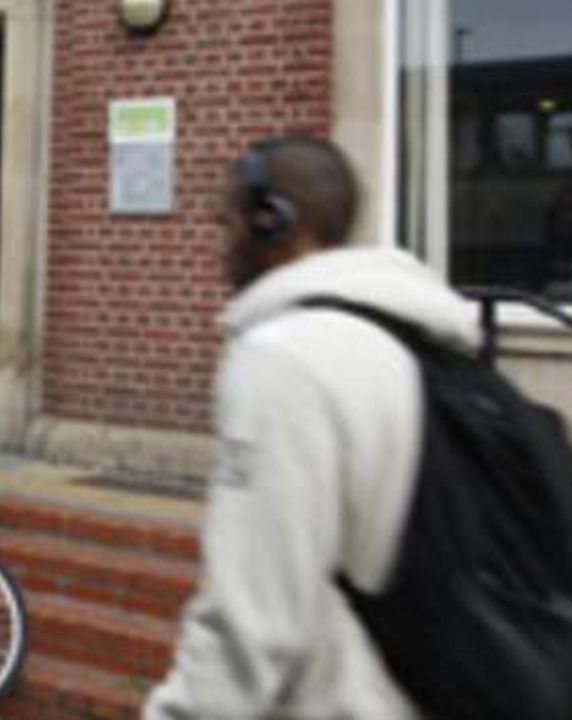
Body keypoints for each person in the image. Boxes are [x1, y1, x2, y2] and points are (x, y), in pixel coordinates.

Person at [144, 137, 480, 720]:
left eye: (227, 225)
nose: (220, 248)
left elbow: (249, 626)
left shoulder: (285, 360)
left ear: (271, 222)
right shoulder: (417, 339)